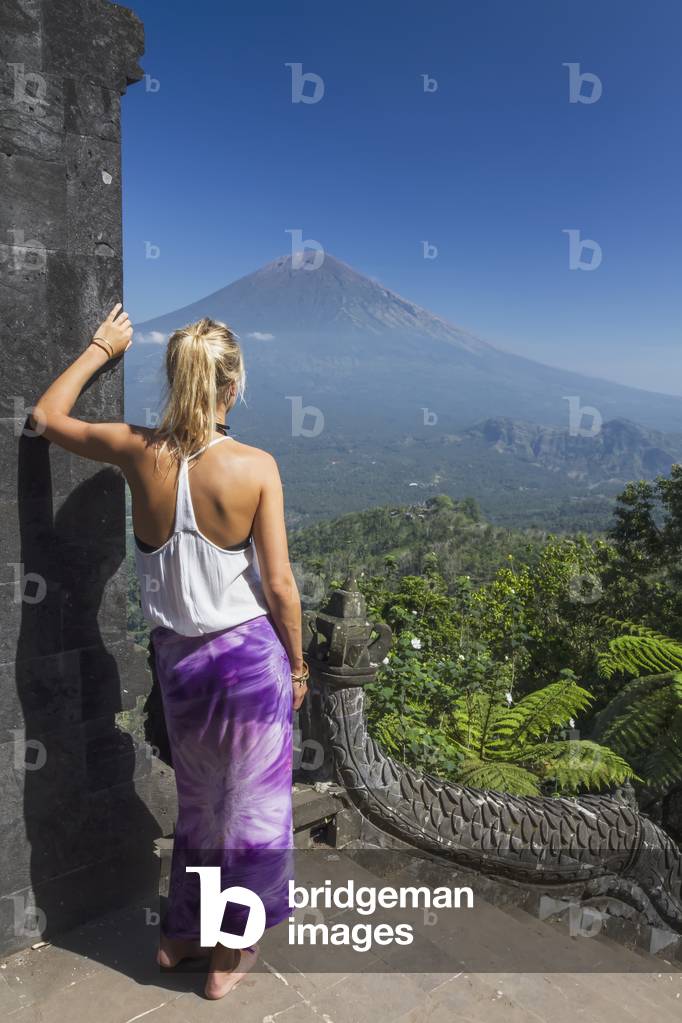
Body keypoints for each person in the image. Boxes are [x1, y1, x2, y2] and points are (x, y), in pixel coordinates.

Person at [30, 303, 308, 999]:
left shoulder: (135, 450)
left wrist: (100, 346)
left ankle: (180, 934)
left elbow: (47, 416)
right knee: (252, 813)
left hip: (179, 664)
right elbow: (278, 584)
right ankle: (224, 959)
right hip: (247, 663)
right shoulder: (254, 467)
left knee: (201, 806)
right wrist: (299, 665)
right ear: (232, 386)